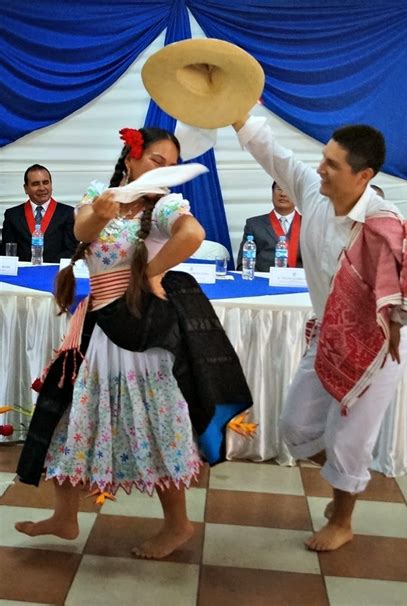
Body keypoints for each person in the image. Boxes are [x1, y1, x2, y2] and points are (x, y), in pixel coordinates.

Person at [14, 127, 252, 559]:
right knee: (69, 419)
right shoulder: (100, 195)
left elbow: (192, 234)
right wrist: (104, 208)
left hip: (138, 335)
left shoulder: (163, 206)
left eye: (172, 165)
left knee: (155, 426)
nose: (166, 170)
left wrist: (151, 272)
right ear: (131, 159)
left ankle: (178, 524)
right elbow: (82, 229)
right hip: (95, 330)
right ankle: (65, 517)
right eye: (157, 160)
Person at [231, 115, 407, 552]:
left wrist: (394, 323)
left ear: (364, 176)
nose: (320, 169)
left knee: (351, 438)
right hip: (326, 335)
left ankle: (343, 516)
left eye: (332, 164)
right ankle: (343, 483)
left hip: (377, 346)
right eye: (323, 159)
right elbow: (274, 155)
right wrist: (239, 113)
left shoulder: (384, 224)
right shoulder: (314, 194)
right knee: (295, 425)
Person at [0, 164, 78, 261]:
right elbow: (7, 251)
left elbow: (72, 250)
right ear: (26, 188)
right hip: (23, 273)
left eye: (45, 182)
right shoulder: (12, 215)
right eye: (35, 184)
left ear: (51, 184)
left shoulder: (68, 213)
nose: (42, 188)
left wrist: (46, 268)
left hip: (54, 272)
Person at [236, 181, 303, 271]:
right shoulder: (254, 224)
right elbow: (243, 264)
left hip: (300, 282)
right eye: (279, 189)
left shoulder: (311, 225)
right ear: (272, 193)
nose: (283, 194)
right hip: (264, 282)